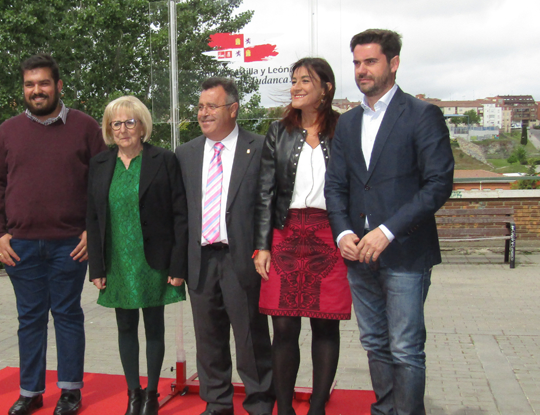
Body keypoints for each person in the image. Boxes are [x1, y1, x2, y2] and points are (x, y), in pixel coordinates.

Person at [324, 29, 454, 415]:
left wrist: (387, 230)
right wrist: (344, 231)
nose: (361, 70)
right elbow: (335, 187)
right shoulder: (347, 124)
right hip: (357, 256)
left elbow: (437, 185)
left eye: (370, 61)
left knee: (405, 347)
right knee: (375, 343)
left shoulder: (421, 115)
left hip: (405, 255)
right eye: (356, 63)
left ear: (393, 64)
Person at [0, 53, 107, 415]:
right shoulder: (8, 131)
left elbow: (102, 183)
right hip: (19, 244)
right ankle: (30, 391)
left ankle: (70, 390)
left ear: (58, 85)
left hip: (71, 243)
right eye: (29, 84)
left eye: (43, 83)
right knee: (30, 317)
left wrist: (93, 230)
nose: (36, 90)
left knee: (68, 314)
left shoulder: (86, 127)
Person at [253, 57, 352, 415]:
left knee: (326, 326)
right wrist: (261, 245)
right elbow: (264, 193)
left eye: (305, 81)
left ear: (325, 88)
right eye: (293, 80)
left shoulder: (345, 129)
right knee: (283, 326)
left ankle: (318, 407)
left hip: (331, 235)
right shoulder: (278, 131)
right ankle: (284, 407)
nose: (295, 87)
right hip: (284, 233)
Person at [175, 77, 274, 415]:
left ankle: (260, 403)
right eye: (200, 107)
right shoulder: (186, 154)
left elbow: (268, 205)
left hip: (241, 258)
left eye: (211, 106)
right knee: (208, 339)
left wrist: (264, 247)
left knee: (250, 338)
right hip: (200, 261)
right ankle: (217, 404)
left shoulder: (259, 148)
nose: (203, 113)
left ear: (233, 109)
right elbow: (181, 214)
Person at [86, 95, 187, 415]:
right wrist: (96, 267)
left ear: (142, 125)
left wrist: (177, 263)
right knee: (125, 327)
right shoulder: (100, 164)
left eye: (130, 122)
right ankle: (133, 393)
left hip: (153, 260)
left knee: (154, 327)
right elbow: (92, 217)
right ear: (108, 129)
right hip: (117, 261)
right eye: (116, 123)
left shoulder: (164, 160)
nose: (123, 129)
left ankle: (153, 394)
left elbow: (180, 215)